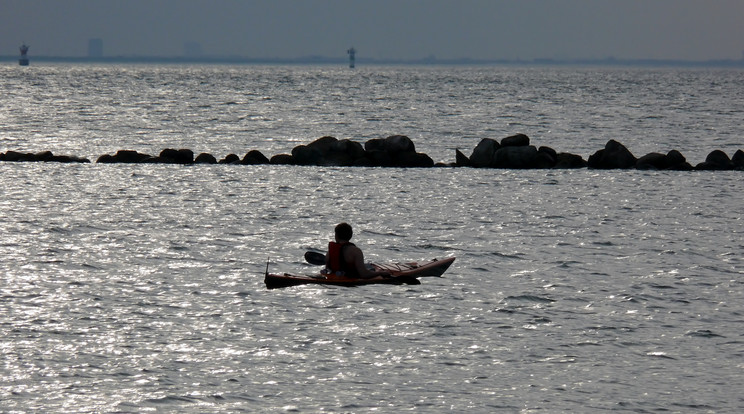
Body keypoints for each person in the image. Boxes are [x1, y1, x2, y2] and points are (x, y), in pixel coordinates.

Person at [324, 222, 391, 278]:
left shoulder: (330, 252)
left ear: (336, 235)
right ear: (350, 235)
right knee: (371, 268)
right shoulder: (356, 251)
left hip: (335, 277)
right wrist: (380, 273)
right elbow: (364, 274)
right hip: (351, 278)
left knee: (368, 265)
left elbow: (327, 270)